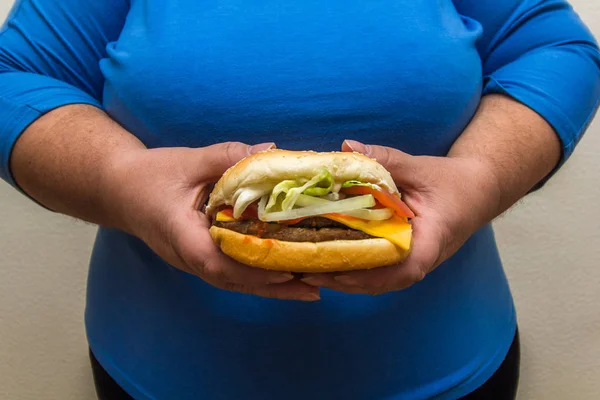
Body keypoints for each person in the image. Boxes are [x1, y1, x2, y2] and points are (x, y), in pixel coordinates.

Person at [0, 0, 598, 398]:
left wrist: (483, 176)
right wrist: (116, 176)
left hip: (447, 367)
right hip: (161, 370)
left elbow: (556, 51)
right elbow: (13, 77)